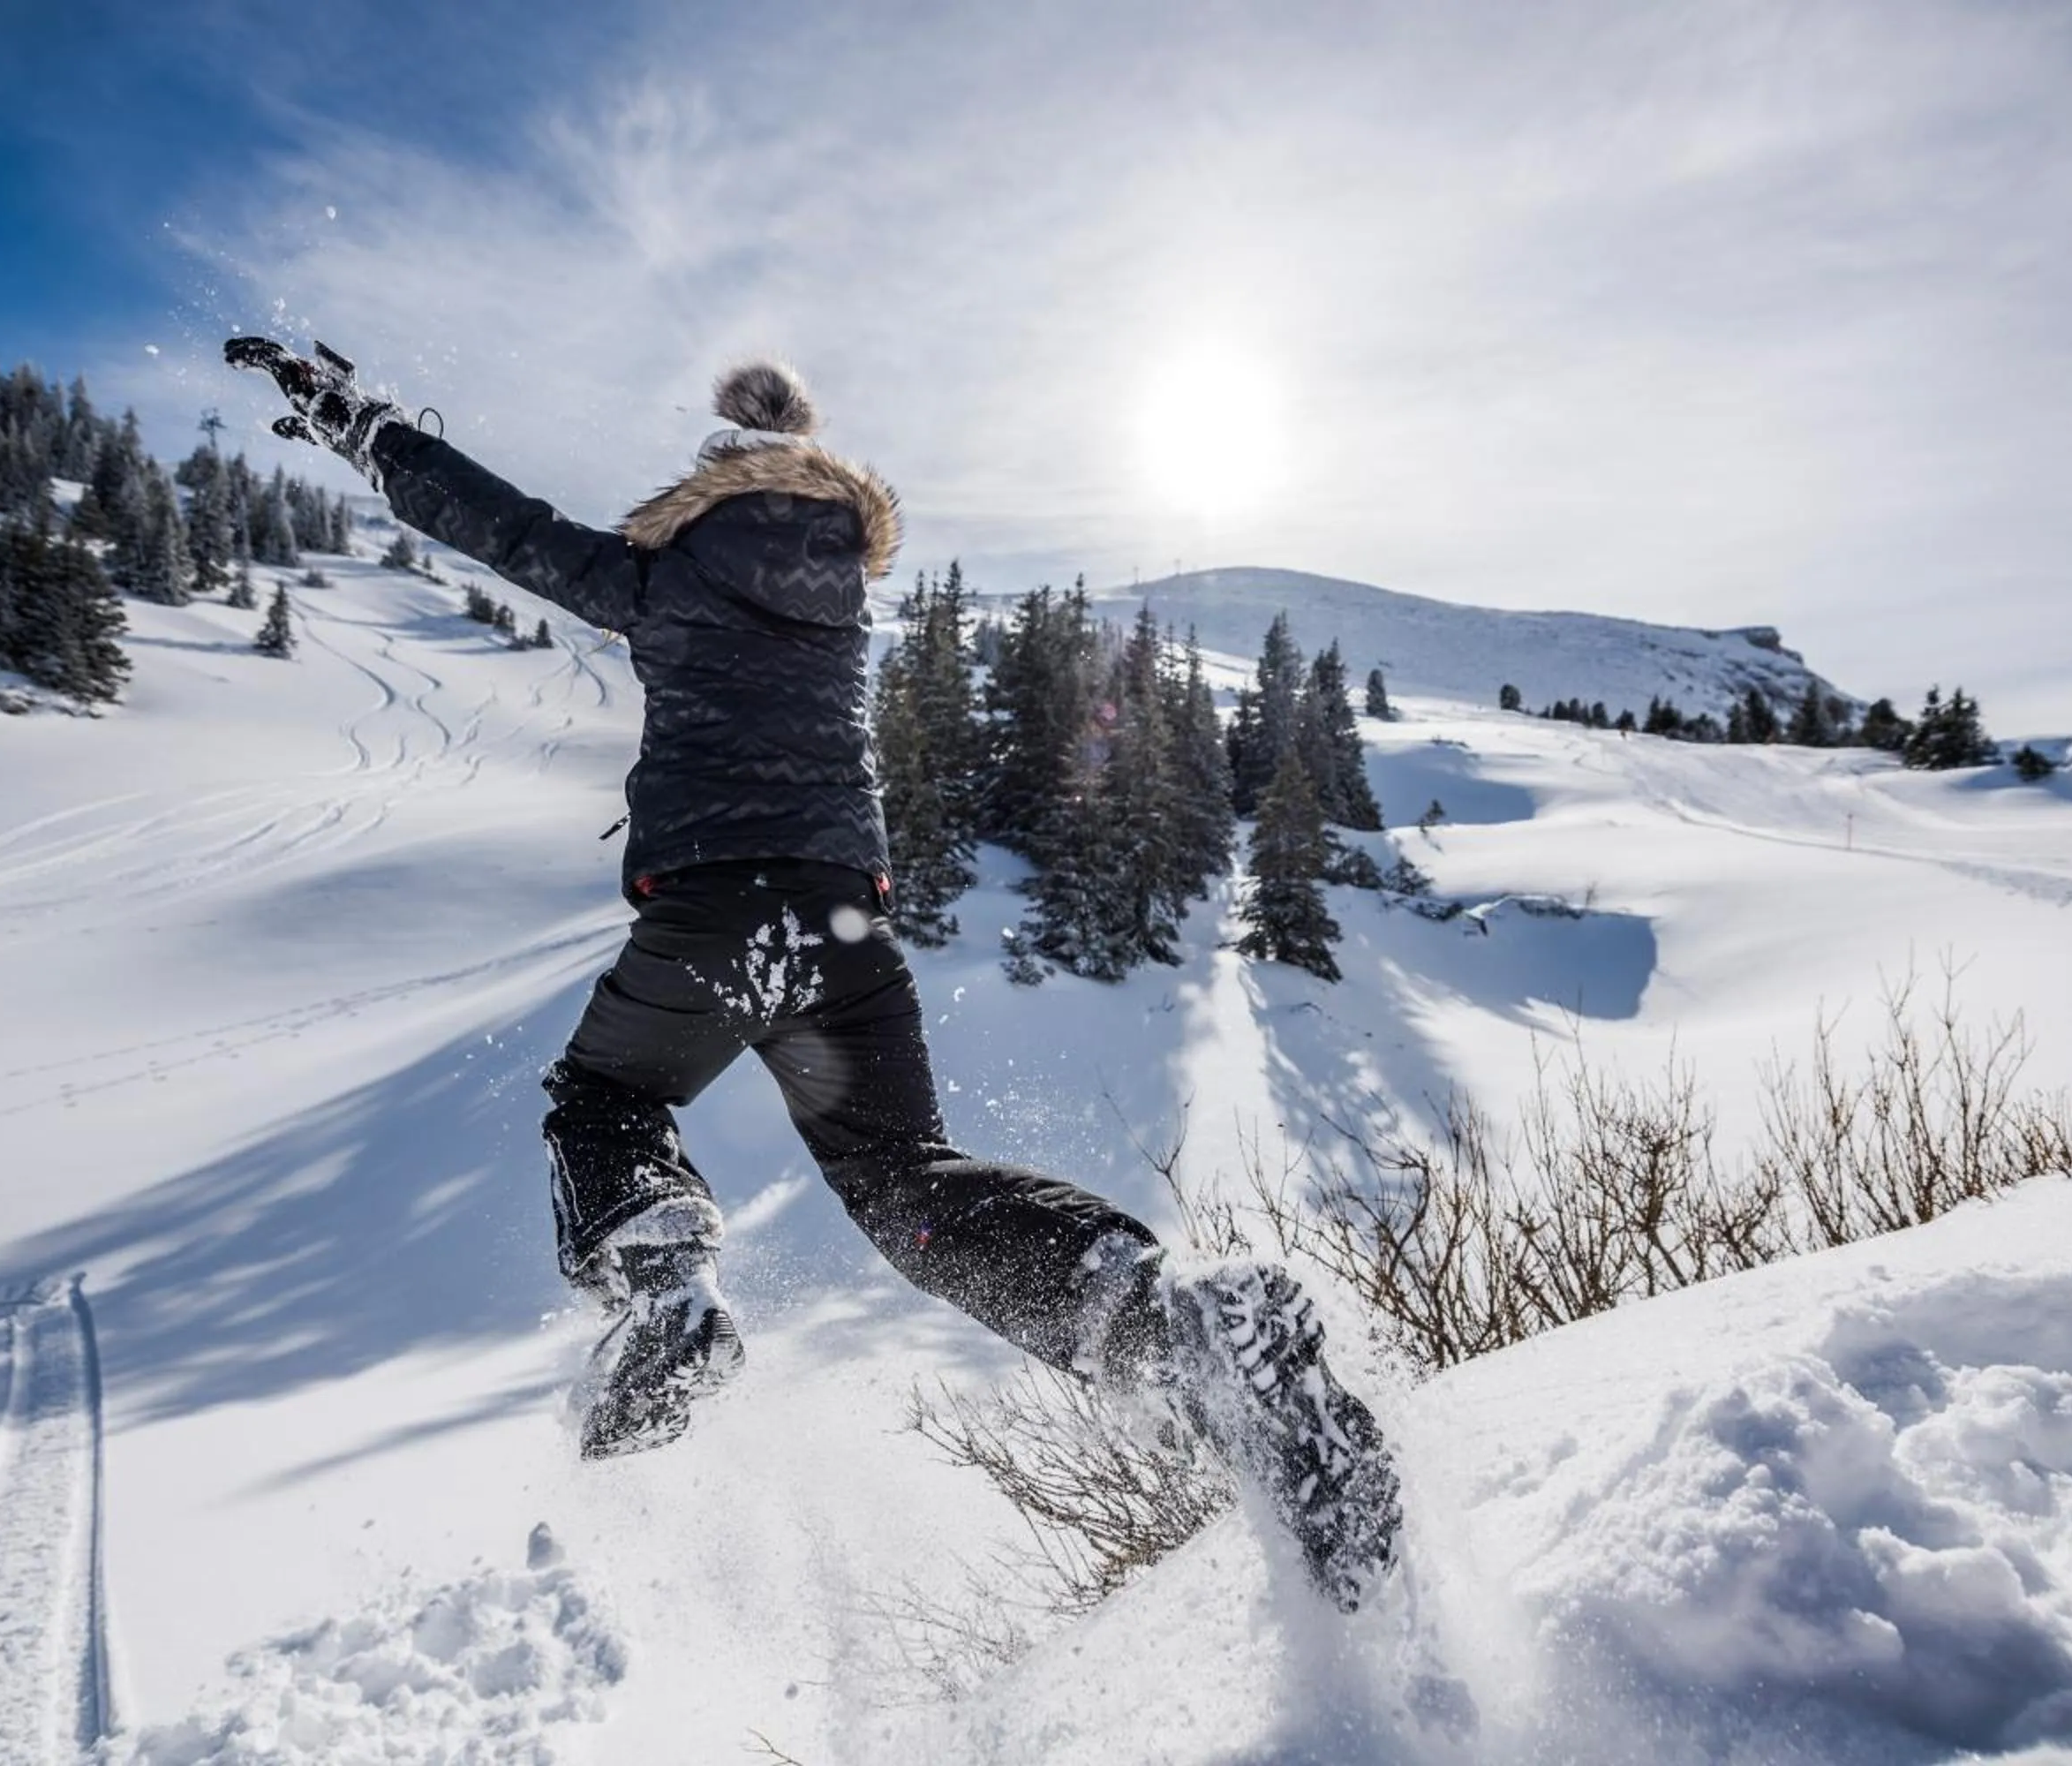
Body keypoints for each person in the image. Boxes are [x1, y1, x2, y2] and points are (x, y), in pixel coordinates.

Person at [223, 338, 1400, 1609]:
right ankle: (1172, 1328)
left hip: (716, 914)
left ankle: (667, 1288)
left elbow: (496, 523)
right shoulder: (842, 595)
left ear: (708, 490)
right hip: (847, 936)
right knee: (908, 1185)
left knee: (604, 1101)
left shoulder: (661, 576)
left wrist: (361, 425)